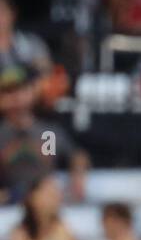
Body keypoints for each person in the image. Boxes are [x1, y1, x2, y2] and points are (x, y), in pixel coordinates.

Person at [0, 65, 89, 205]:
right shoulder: (2, 135)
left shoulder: (48, 133)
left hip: (46, 202)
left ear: (32, 92)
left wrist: (78, 175)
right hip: (8, 207)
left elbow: (76, 155)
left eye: (21, 90)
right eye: (9, 92)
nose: (16, 97)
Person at [9, 173, 80, 240]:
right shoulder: (20, 233)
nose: (54, 198)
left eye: (55, 193)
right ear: (32, 197)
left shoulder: (64, 230)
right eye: (48, 194)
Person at [0, 0, 52, 77]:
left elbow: (47, 74)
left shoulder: (31, 44)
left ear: (13, 14)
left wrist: (31, 88)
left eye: (2, 11)